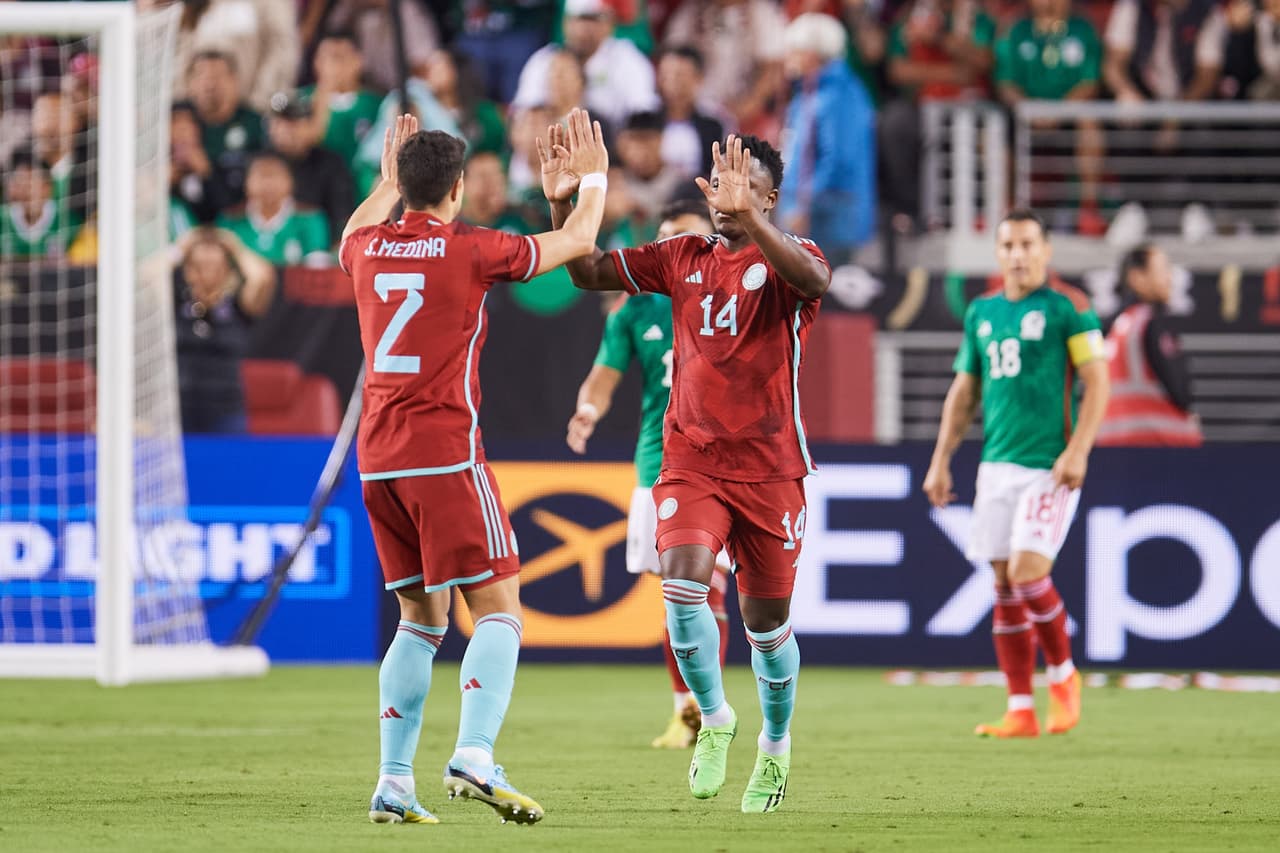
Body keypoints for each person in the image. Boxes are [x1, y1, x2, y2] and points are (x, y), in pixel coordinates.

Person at [545, 130, 831, 813]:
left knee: (767, 628)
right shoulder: (681, 256)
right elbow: (586, 272)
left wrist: (752, 220)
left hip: (771, 470)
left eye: (744, 184)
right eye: (719, 179)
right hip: (690, 461)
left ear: (769, 198)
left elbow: (816, 282)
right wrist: (566, 203)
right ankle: (714, 716)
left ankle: (775, 745)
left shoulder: (796, 260)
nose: (726, 193)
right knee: (681, 586)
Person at [340, 109, 610, 825]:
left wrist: (385, 184)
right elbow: (579, 241)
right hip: (445, 452)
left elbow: (350, 232)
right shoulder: (470, 248)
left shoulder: (365, 248)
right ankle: (475, 753)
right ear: (458, 188)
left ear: (401, 185)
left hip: (378, 460)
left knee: (420, 617)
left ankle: (394, 781)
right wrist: (592, 179)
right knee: (498, 606)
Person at [923, 209, 1109, 739]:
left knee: (1028, 576)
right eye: (1008, 245)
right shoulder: (982, 312)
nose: (1018, 254)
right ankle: (1021, 709)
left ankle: (1064, 676)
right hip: (996, 467)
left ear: (1046, 250)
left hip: (1049, 466)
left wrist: (1078, 451)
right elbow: (964, 392)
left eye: (1028, 244)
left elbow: (1098, 382)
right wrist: (940, 459)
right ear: (998, 253)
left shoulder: (1068, 307)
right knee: (1004, 585)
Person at [566, 198, 734, 750]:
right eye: (663, 238)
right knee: (679, 595)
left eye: (682, 237)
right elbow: (603, 374)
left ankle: (711, 711)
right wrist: (588, 409)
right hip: (658, 464)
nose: (670, 248)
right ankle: (685, 711)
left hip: (727, 464)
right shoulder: (635, 308)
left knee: (712, 589)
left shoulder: (733, 293)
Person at [777, 12, 877, 261]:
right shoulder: (808, 93)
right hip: (806, 218)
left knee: (827, 283)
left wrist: (806, 207)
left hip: (830, 222)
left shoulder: (841, 95)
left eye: (793, 51)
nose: (787, 58)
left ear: (811, 55)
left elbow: (839, 160)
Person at [173, 227, 276, 434]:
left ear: (226, 270)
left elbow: (263, 278)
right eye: (199, 266)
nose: (206, 273)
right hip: (178, 411)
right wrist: (181, 248)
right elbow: (146, 276)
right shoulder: (176, 304)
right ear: (188, 270)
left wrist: (235, 248)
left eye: (214, 266)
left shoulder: (238, 306)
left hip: (226, 413)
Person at [1098, 244, 1202, 446]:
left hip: (1111, 444)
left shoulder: (1111, 330)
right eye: (1163, 270)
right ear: (1137, 277)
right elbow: (1180, 391)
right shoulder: (1147, 323)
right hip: (1158, 445)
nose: (1170, 278)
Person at [217, 152, 331, 266]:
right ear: (246, 182)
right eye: (262, 176)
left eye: (275, 175)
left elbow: (317, 264)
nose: (268, 184)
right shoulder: (230, 219)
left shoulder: (310, 218)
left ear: (291, 181)